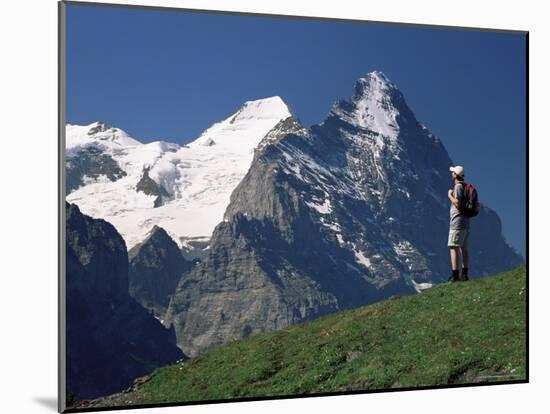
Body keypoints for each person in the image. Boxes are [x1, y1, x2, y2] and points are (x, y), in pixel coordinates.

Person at [447, 165, 470, 282]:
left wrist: (450, 195)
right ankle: (465, 274)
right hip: (465, 222)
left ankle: (455, 275)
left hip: (457, 222)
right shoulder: (465, 187)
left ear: (456, 175)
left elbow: (457, 203)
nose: (451, 174)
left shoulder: (457, 187)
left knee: (453, 247)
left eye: (453, 173)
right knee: (463, 247)